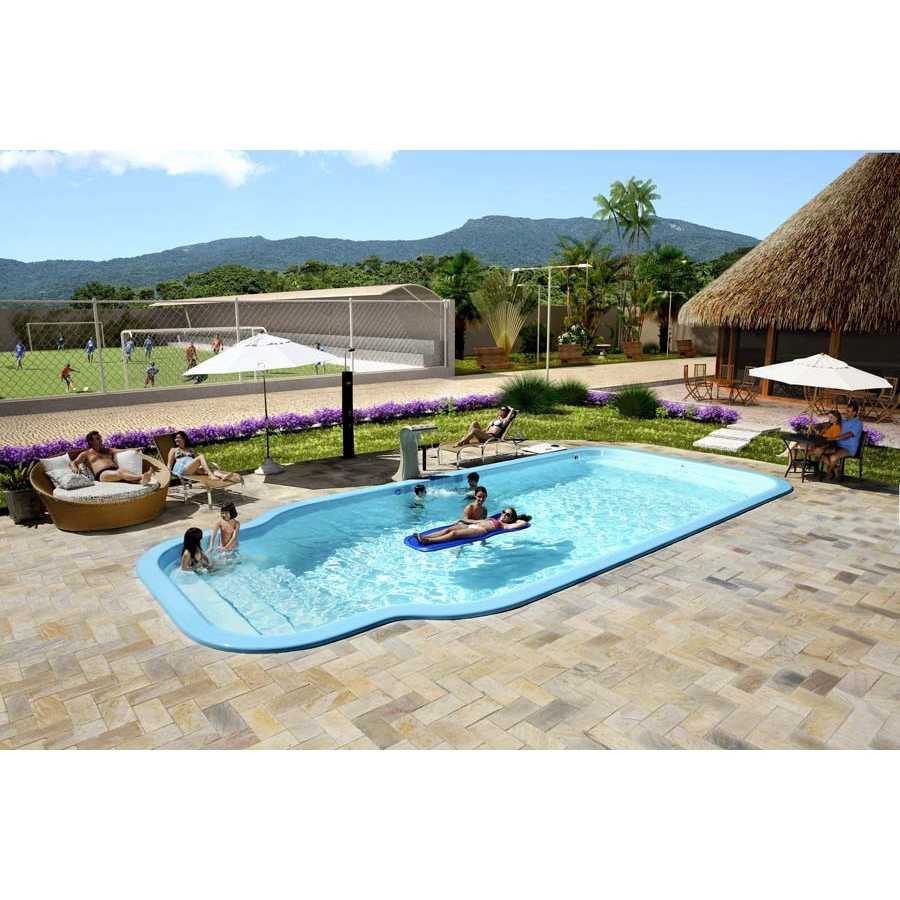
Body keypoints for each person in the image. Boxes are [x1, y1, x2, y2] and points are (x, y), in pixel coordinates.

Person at [70, 430, 153, 484]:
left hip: (115, 470)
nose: (100, 440)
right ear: (91, 441)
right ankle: (142, 476)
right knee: (121, 473)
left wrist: (135, 449)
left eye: (100, 438)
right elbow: (74, 462)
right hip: (102, 474)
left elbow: (122, 450)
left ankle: (143, 481)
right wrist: (74, 468)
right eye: (97, 438)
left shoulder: (108, 450)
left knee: (125, 473)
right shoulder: (86, 454)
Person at [414, 507, 531, 545]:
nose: (504, 514)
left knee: (453, 534)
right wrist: (462, 520)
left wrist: (515, 519)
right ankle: (424, 536)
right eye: (504, 512)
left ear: (511, 518)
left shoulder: (505, 526)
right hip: (474, 526)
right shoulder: (494, 518)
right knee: (448, 529)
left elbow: (523, 523)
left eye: (508, 515)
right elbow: (475, 521)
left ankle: (428, 541)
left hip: (480, 530)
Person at [166, 430, 242, 483]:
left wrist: (202, 467)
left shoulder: (190, 449)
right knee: (201, 456)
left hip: (192, 469)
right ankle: (210, 475)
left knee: (207, 469)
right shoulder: (174, 450)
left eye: (178, 437)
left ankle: (223, 475)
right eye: (175, 438)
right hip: (181, 469)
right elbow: (169, 462)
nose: (176, 439)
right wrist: (168, 473)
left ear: (184, 439)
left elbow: (197, 461)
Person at [822, 400, 864, 481]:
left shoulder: (858, 423)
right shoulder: (843, 421)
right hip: (836, 445)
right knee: (817, 451)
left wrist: (835, 438)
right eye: (846, 410)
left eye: (848, 411)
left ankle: (829, 473)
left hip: (848, 448)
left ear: (854, 413)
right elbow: (831, 422)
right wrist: (816, 425)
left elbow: (849, 434)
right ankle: (835, 468)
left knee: (833, 457)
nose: (846, 412)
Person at [452, 406, 516, 447]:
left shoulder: (504, 421)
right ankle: (466, 440)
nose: (501, 411)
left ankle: (460, 442)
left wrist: (509, 408)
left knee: (474, 430)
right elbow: (486, 429)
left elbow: (512, 410)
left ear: (506, 412)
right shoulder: (495, 420)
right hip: (485, 435)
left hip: (490, 438)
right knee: (474, 423)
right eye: (500, 409)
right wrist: (480, 432)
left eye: (503, 410)